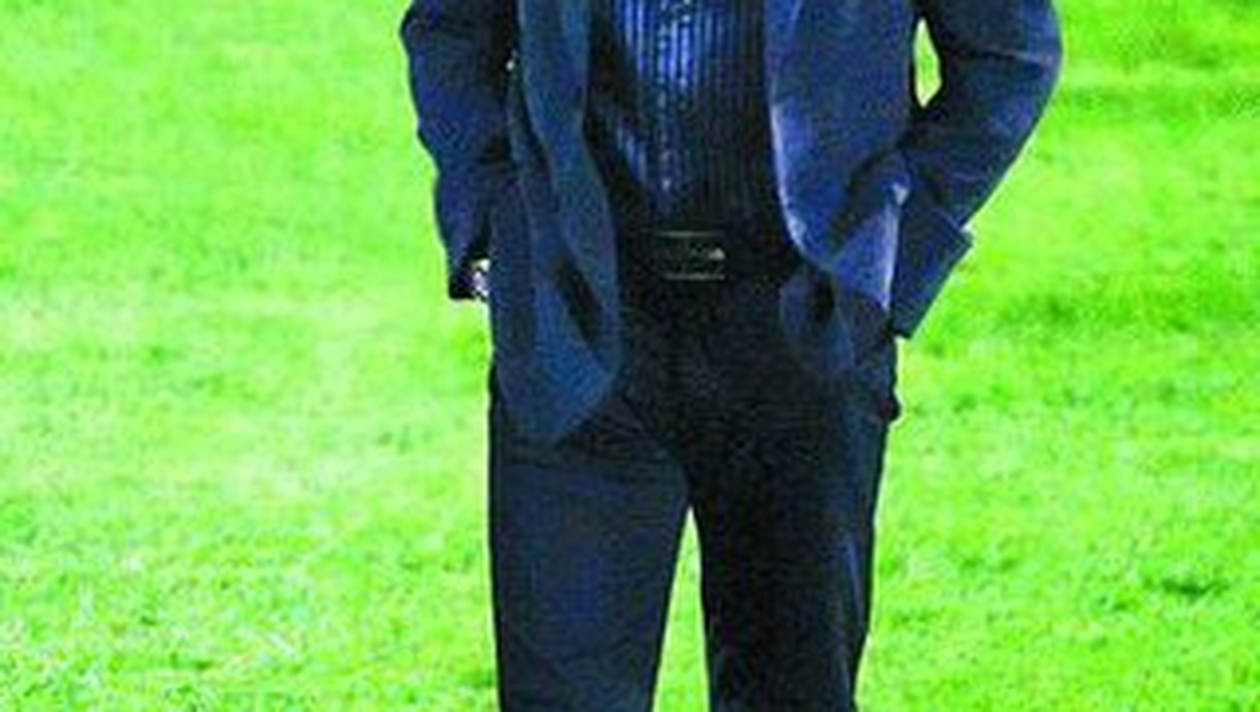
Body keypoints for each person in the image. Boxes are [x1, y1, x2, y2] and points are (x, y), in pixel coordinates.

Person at [399, 0, 1061, 709]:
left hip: (800, 332)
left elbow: (1009, 56)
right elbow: (451, 30)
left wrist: (887, 257)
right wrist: (492, 228)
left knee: (792, 692)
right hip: (581, 326)